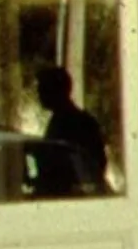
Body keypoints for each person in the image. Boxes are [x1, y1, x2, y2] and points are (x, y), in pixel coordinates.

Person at [33, 64, 108, 195]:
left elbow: (93, 165)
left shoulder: (76, 123)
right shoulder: (62, 120)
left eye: (42, 88)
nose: (38, 94)